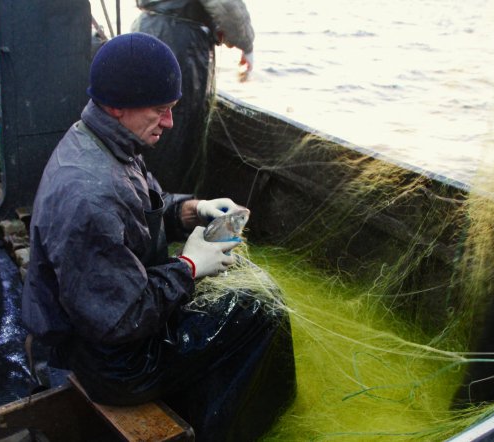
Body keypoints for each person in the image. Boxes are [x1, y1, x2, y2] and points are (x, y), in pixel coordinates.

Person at [22, 32, 296, 441]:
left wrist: (193, 209)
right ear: (118, 105)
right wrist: (188, 266)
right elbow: (121, 319)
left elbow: (142, 206)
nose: (169, 123)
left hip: (96, 331)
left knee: (246, 297)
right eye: (160, 110)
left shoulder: (102, 139)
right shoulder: (89, 195)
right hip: (112, 365)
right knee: (262, 310)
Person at [130, 0, 255, 194]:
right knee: (175, 131)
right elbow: (226, 4)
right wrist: (246, 44)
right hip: (181, 42)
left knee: (144, 122)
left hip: (144, 29)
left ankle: (141, 200)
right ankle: (166, 210)